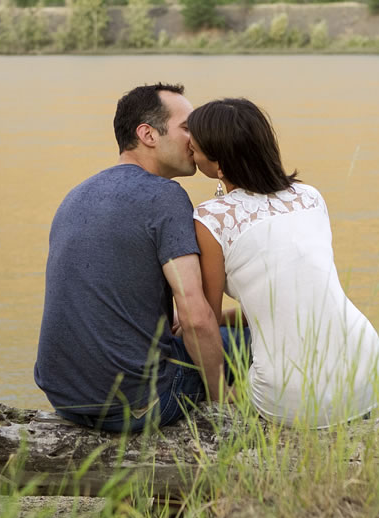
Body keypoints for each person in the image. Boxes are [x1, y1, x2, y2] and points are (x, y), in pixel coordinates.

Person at [34, 83, 242, 433]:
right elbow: (195, 317)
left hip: (67, 397)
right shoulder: (164, 196)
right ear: (147, 134)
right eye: (187, 128)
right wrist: (223, 402)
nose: (196, 140)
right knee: (258, 337)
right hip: (136, 403)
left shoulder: (76, 195)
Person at [188, 98, 379, 428]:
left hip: (287, 395)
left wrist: (220, 395)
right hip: (364, 368)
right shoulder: (310, 196)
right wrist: (231, 318)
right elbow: (303, 292)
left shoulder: (211, 219)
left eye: (195, 149)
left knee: (190, 349)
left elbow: (205, 322)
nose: (190, 152)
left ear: (219, 164)